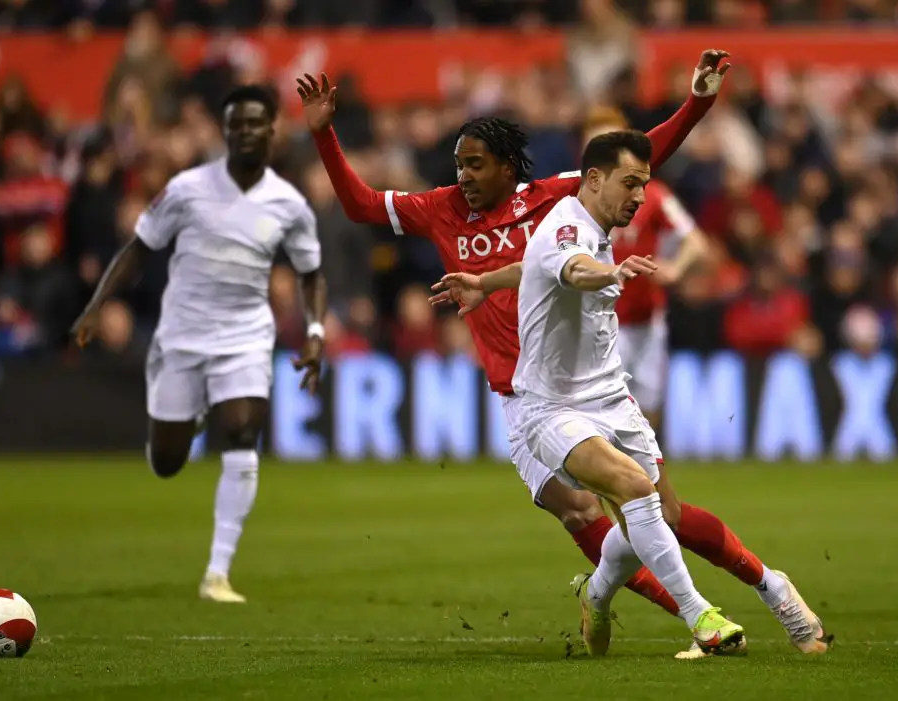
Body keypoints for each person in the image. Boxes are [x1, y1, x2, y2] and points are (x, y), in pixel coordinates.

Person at [299, 50, 737, 657]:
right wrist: (324, 133)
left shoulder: (554, 199)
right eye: (458, 165)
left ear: (507, 167)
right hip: (520, 399)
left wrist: (698, 102)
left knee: (647, 502)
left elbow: (639, 160)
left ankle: (684, 607)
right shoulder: (440, 209)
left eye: (474, 165)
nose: (463, 177)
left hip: (583, 384)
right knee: (581, 512)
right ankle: (685, 613)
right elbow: (361, 205)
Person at [439, 131, 830, 657]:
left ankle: (599, 594)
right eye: (631, 183)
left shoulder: (590, 226)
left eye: (644, 185)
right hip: (551, 407)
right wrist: (611, 272)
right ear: (594, 179)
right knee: (633, 489)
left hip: (611, 398)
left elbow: (533, 264)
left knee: (664, 513)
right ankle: (702, 617)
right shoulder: (568, 228)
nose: (641, 197)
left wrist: (485, 282)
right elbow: (572, 269)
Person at [71, 84, 327, 604]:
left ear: (271, 132)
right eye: (236, 124)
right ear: (225, 131)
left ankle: (217, 572)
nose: (245, 132)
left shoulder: (288, 204)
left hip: (246, 336)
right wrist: (97, 305)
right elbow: (138, 249)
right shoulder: (186, 188)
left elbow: (311, 272)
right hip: (183, 337)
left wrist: (316, 331)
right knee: (166, 461)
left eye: (256, 123)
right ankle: (192, 418)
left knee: (244, 431)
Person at [582, 106, 709, 431]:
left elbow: (695, 241)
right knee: (601, 410)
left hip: (645, 319)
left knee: (649, 405)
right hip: (594, 320)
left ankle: (648, 475)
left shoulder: (652, 195)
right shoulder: (571, 198)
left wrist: (676, 268)